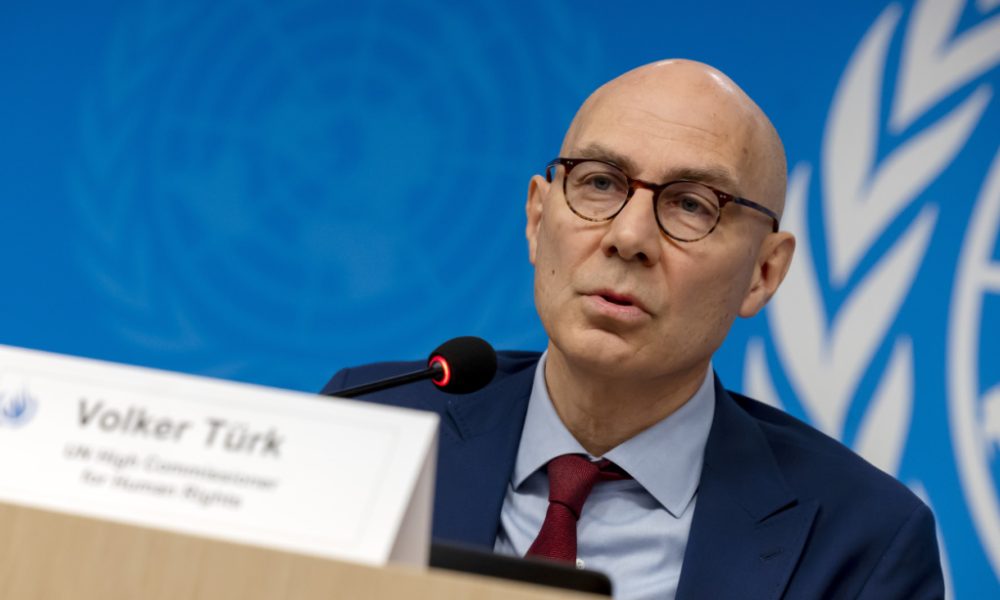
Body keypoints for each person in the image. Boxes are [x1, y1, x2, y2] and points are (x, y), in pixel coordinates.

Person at [323, 60, 944, 599]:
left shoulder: (863, 543)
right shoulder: (367, 426)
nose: (628, 237)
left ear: (763, 273)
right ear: (537, 218)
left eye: (692, 204)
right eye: (599, 183)